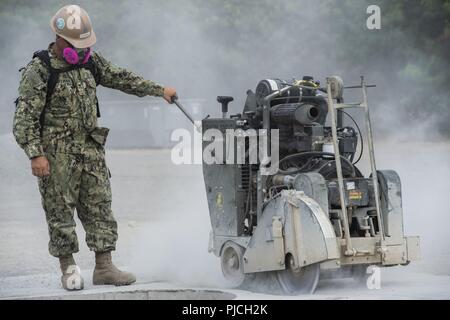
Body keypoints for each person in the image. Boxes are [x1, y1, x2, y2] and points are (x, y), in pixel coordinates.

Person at [12, 4, 177, 291]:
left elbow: (122, 77)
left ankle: (104, 266)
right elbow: (24, 118)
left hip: (91, 150)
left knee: (100, 206)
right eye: (77, 44)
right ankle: (69, 267)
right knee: (59, 211)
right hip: (56, 154)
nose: (82, 49)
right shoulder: (40, 70)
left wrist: (159, 90)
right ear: (59, 38)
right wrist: (35, 154)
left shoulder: (91, 63)